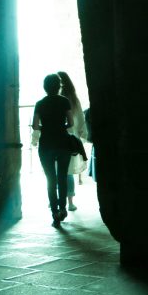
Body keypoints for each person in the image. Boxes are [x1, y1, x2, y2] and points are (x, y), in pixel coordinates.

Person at [32, 73, 72, 227]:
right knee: (62, 178)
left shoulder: (40, 103)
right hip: (63, 142)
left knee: (50, 179)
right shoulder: (64, 101)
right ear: (59, 86)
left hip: (46, 144)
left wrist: (46, 127)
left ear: (45, 87)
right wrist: (60, 126)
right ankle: (63, 208)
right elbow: (71, 122)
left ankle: (54, 212)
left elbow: (35, 126)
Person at [57, 70, 87, 211]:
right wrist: (82, 134)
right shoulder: (73, 99)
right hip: (69, 140)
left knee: (56, 172)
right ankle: (69, 202)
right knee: (67, 172)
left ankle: (56, 200)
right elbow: (80, 118)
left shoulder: (56, 98)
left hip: (56, 138)